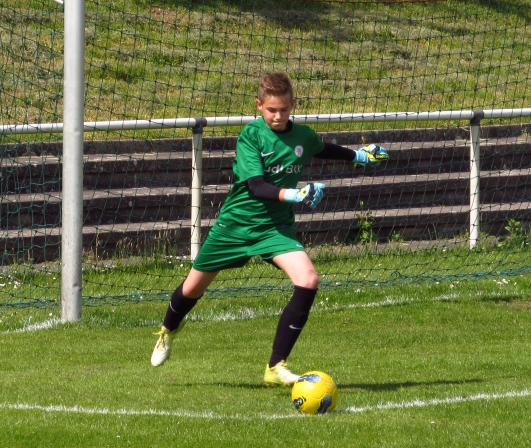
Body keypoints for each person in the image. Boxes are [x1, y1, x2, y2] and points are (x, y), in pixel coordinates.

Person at [151, 72, 388, 386]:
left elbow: (321, 148)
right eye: (271, 110)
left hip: (275, 228)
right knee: (192, 289)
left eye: (284, 109)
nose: (277, 116)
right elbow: (256, 186)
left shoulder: (302, 135)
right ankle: (167, 331)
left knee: (308, 279)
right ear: (259, 105)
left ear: (293, 105)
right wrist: (295, 194)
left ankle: (276, 366)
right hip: (236, 225)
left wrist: (358, 155)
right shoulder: (251, 135)